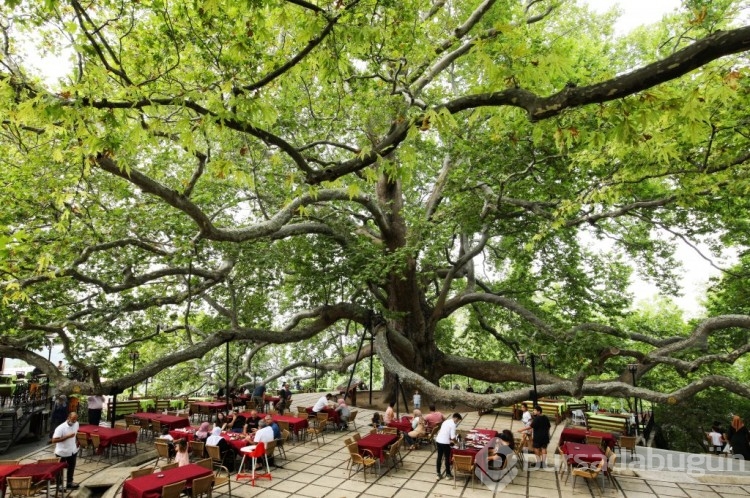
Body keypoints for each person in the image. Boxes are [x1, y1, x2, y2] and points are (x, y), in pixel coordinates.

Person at [51, 412, 80, 489]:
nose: (74, 421)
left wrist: (76, 441)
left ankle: (69, 483)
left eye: (75, 419)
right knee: (60, 469)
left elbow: (76, 434)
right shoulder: (60, 428)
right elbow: (54, 440)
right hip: (62, 452)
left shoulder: (76, 424)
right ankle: (59, 485)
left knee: (71, 467)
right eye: (73, 419)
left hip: (72, 450)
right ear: (68, 418)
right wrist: (67, 436)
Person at [434, 412, 462, 479]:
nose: (457, 422)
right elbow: (452, 437)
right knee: (447, 458)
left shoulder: (446, 421)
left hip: (438, 440)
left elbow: (445, 432)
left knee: (439, 457)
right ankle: (448, 474)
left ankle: (438, 473)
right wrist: (457, 443)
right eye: (457, 421)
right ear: (456, 418)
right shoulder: (453, 425)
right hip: (445, 443)